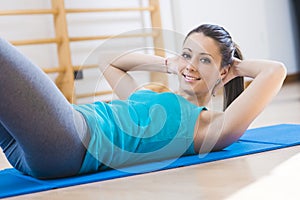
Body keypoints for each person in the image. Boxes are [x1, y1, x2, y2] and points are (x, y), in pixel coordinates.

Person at [0, 24, 286, 179]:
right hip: (31, 148)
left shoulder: (209, 127)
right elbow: (109, 63)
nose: (191, 65)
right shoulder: (147, 97)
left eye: (204, 59)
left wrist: (230, 67)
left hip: (69, 141)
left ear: (224, 71)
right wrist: (170, 63)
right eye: (187, 54)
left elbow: (275, 71)